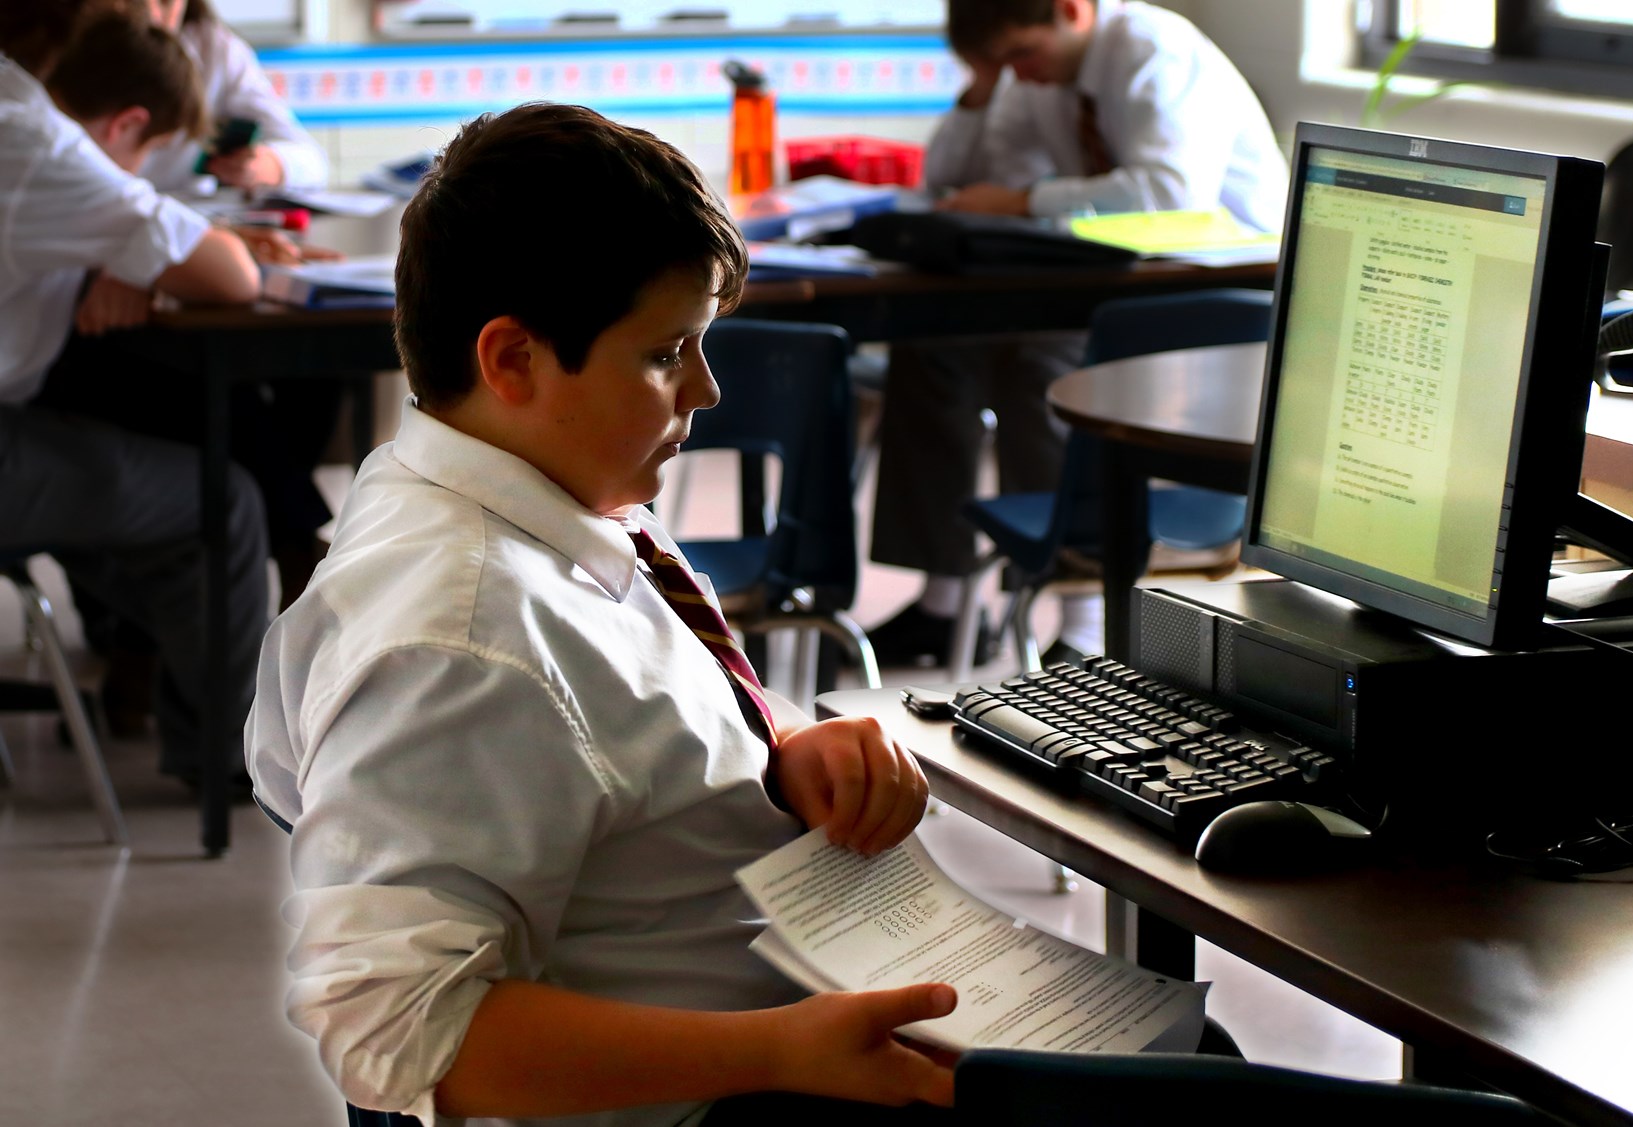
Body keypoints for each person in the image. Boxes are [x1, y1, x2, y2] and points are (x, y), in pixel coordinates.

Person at [246, 102, 959, 1126]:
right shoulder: (457, 633)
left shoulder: (549, 489)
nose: (706, 390)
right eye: (668, 353)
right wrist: (780, 1051)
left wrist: (785, 749)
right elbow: (398, 1033)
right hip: (719, 1093)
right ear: (514, 360)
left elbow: (616, 738)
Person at [867, 0, 1285, 665]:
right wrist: (980, 90)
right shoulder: (1036, 78)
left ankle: (1088, 611)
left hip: (1212, 285)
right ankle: (942, 601)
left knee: (1049, 363)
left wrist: (1029, 201)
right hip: (1109, 281)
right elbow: (959, 181)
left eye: (1020, 55)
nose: (1017, 76)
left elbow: (1174, 195)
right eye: (998, 64)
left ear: (1072, 10)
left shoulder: (1155, 52)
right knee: (933, 350)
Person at [0, 0, 270, 787]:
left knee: (138, 479)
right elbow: (232, 274)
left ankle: (141, 689)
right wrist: (133, 247)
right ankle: (228, 763)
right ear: (126, 126)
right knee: (221, 504)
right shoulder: (38, 142)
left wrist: (124, 250)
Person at [140, 0, 326, 194]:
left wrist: (268, 164)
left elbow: (313, 162)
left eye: (165, 2)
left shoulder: (215, 50)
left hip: (188, 211)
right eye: (132, 2)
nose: (151, 16)